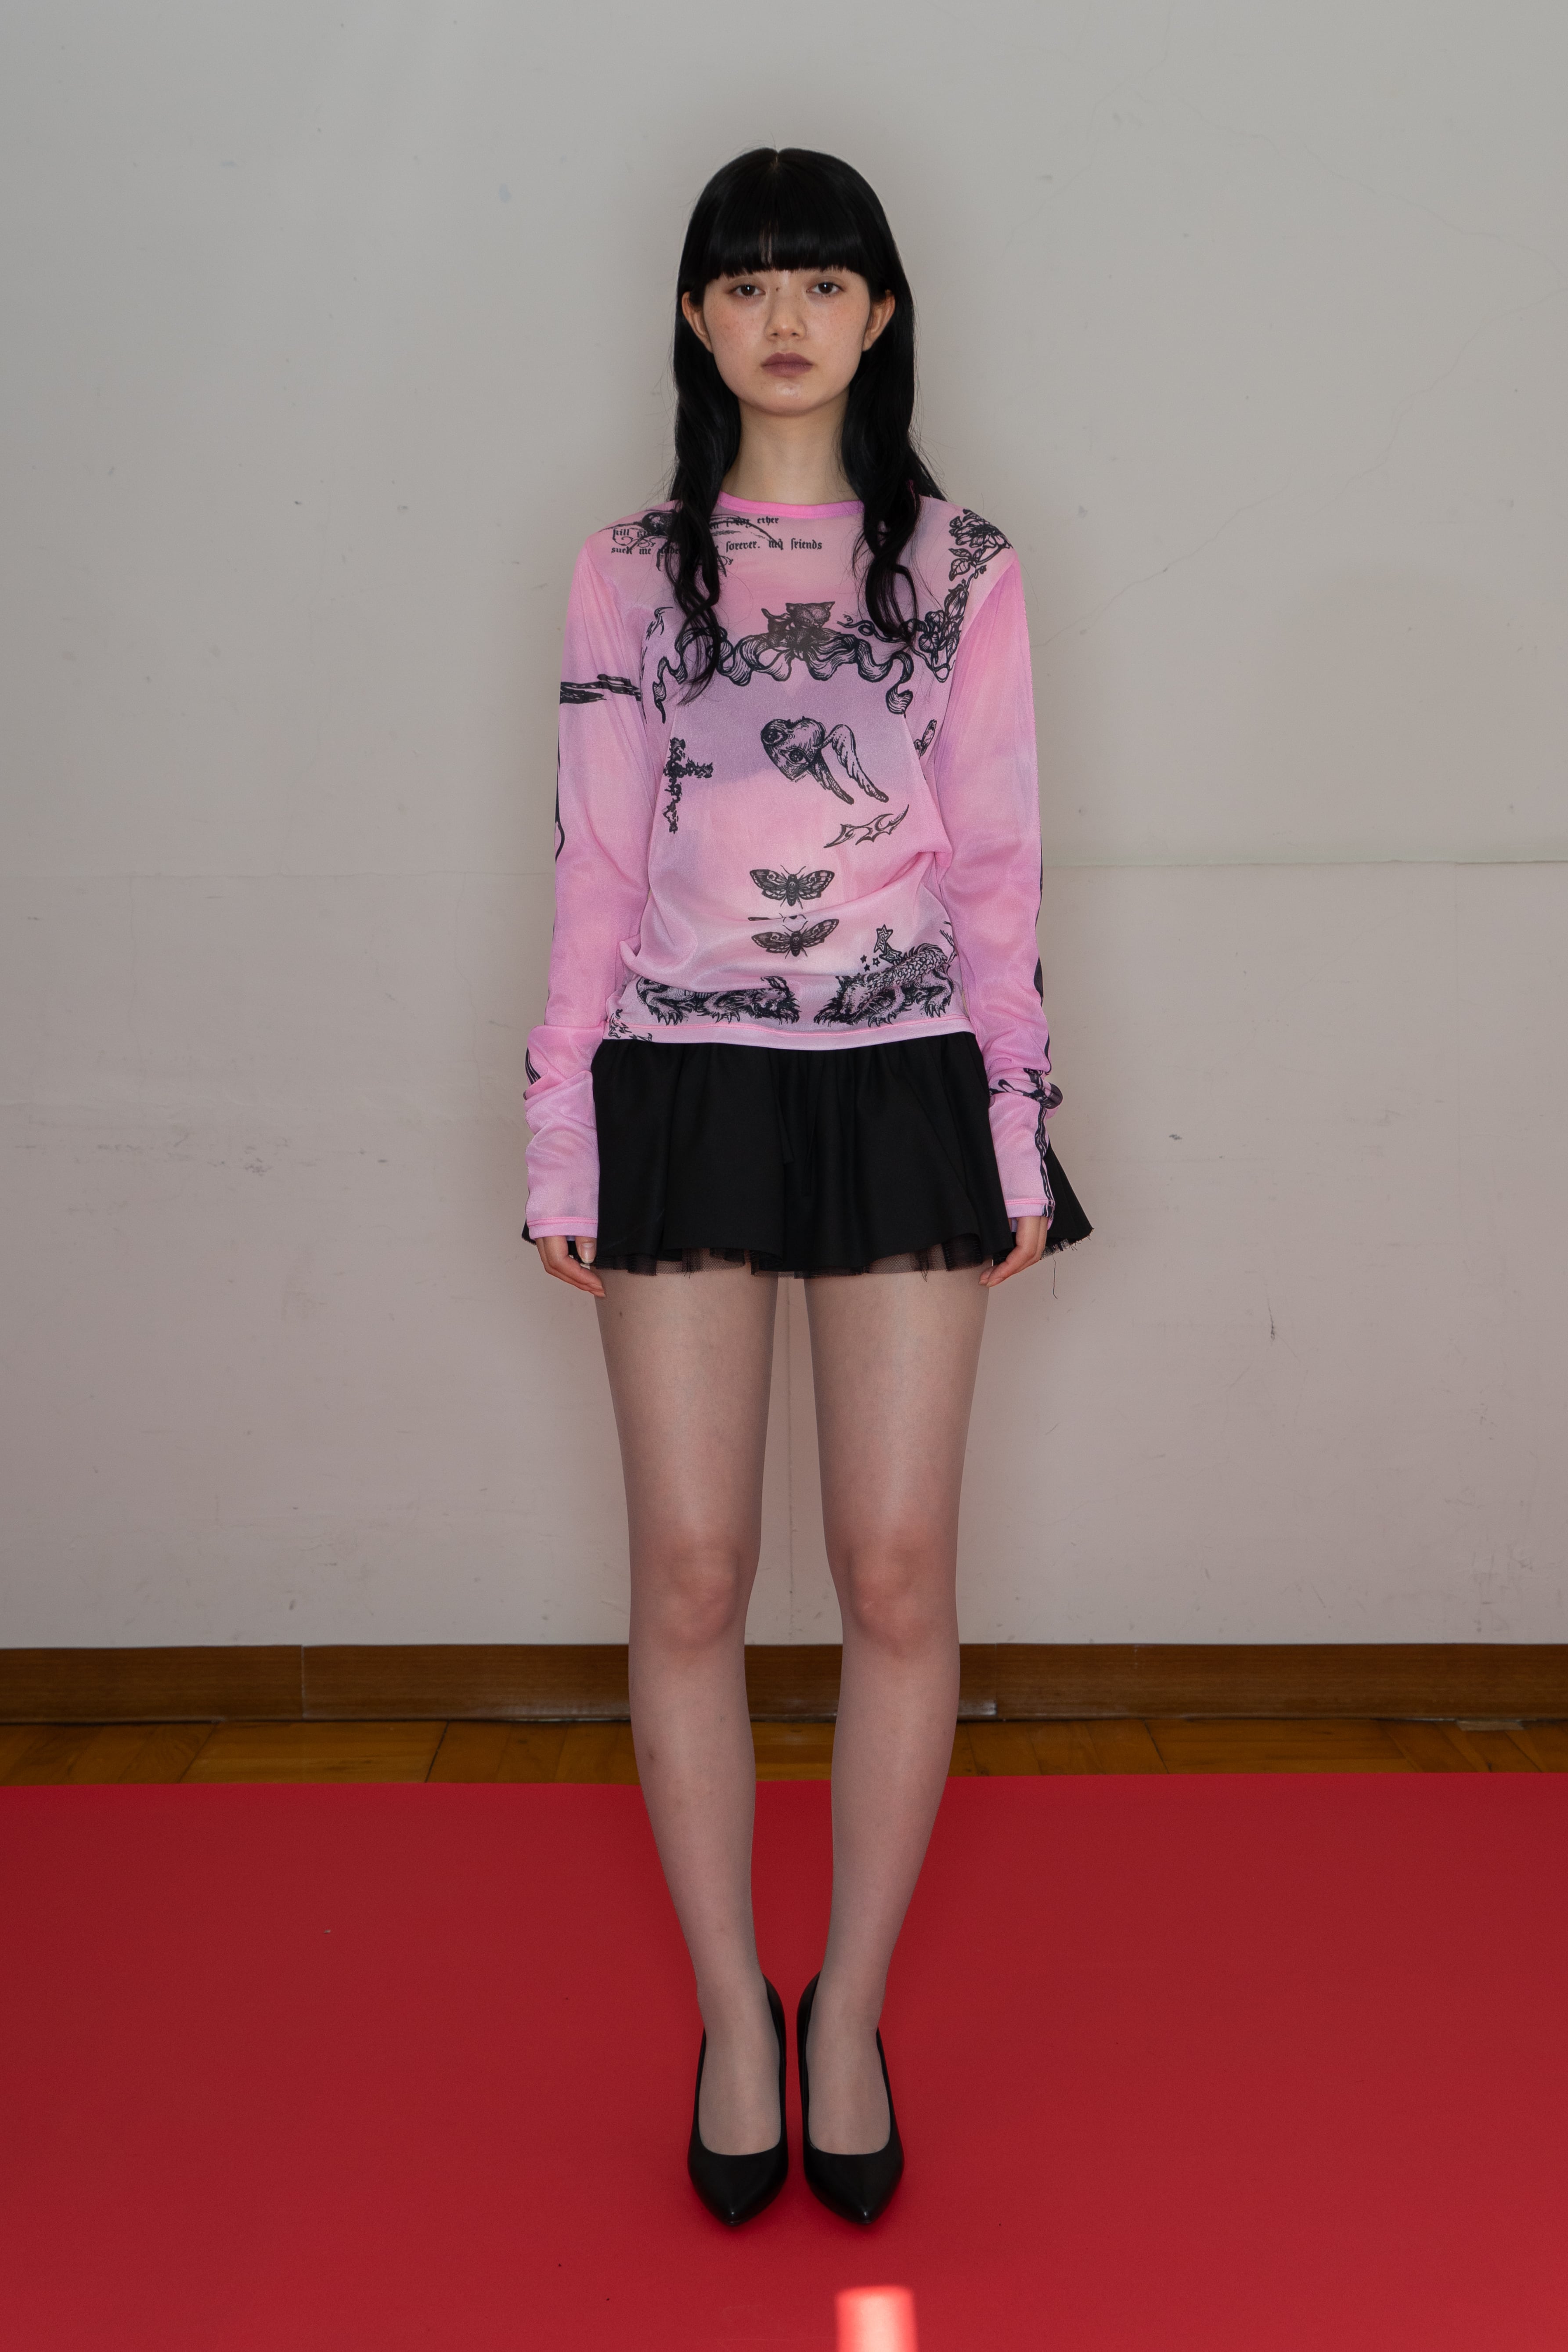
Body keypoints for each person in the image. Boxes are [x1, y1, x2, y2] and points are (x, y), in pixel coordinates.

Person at [522, 146, 1091, 2229]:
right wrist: (560, 1130)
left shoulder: (958, 564)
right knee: (689, 1570)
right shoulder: (624, 572)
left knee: (893, 1570)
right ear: (694, 318)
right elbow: (595, 863)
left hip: (901, 1077)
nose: (783, 315)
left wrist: (1013, 1123)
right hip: (681, 1080)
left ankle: (842, 2009)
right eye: (746, 280)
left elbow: (997, 864)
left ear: (878, 314)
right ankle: (729, 2017)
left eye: (821, 279)